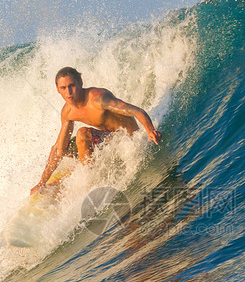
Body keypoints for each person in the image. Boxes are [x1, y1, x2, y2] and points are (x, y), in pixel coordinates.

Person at [30, 67, 162, 195]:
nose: (68, 92)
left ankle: (89, 180)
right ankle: (45, 184)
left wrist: (150, 130)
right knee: (57, 147)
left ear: (80, 82)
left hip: (126, 138)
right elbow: (59, 150)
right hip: (105, 140)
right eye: (63, 88)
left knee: (82, 133)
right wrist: (42, 182)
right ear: (58, 90)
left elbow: (136, 111)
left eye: (72, 86)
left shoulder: (98, 98)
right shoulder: (67, 112)